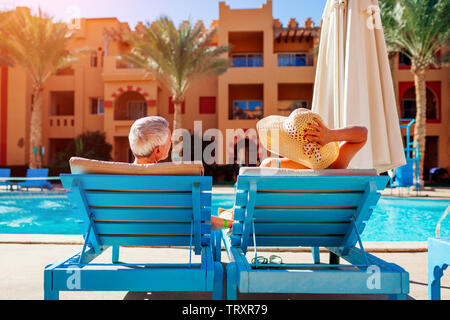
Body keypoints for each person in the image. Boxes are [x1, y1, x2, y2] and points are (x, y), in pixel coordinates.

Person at [211, 108, 368, 230]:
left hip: (268, 229)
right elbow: (362, 134)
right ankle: (229, 216)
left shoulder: (271, 165)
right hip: (325, 230)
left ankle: (230, 220)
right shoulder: (336, 166)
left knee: (244, 205)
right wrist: (330, 135)